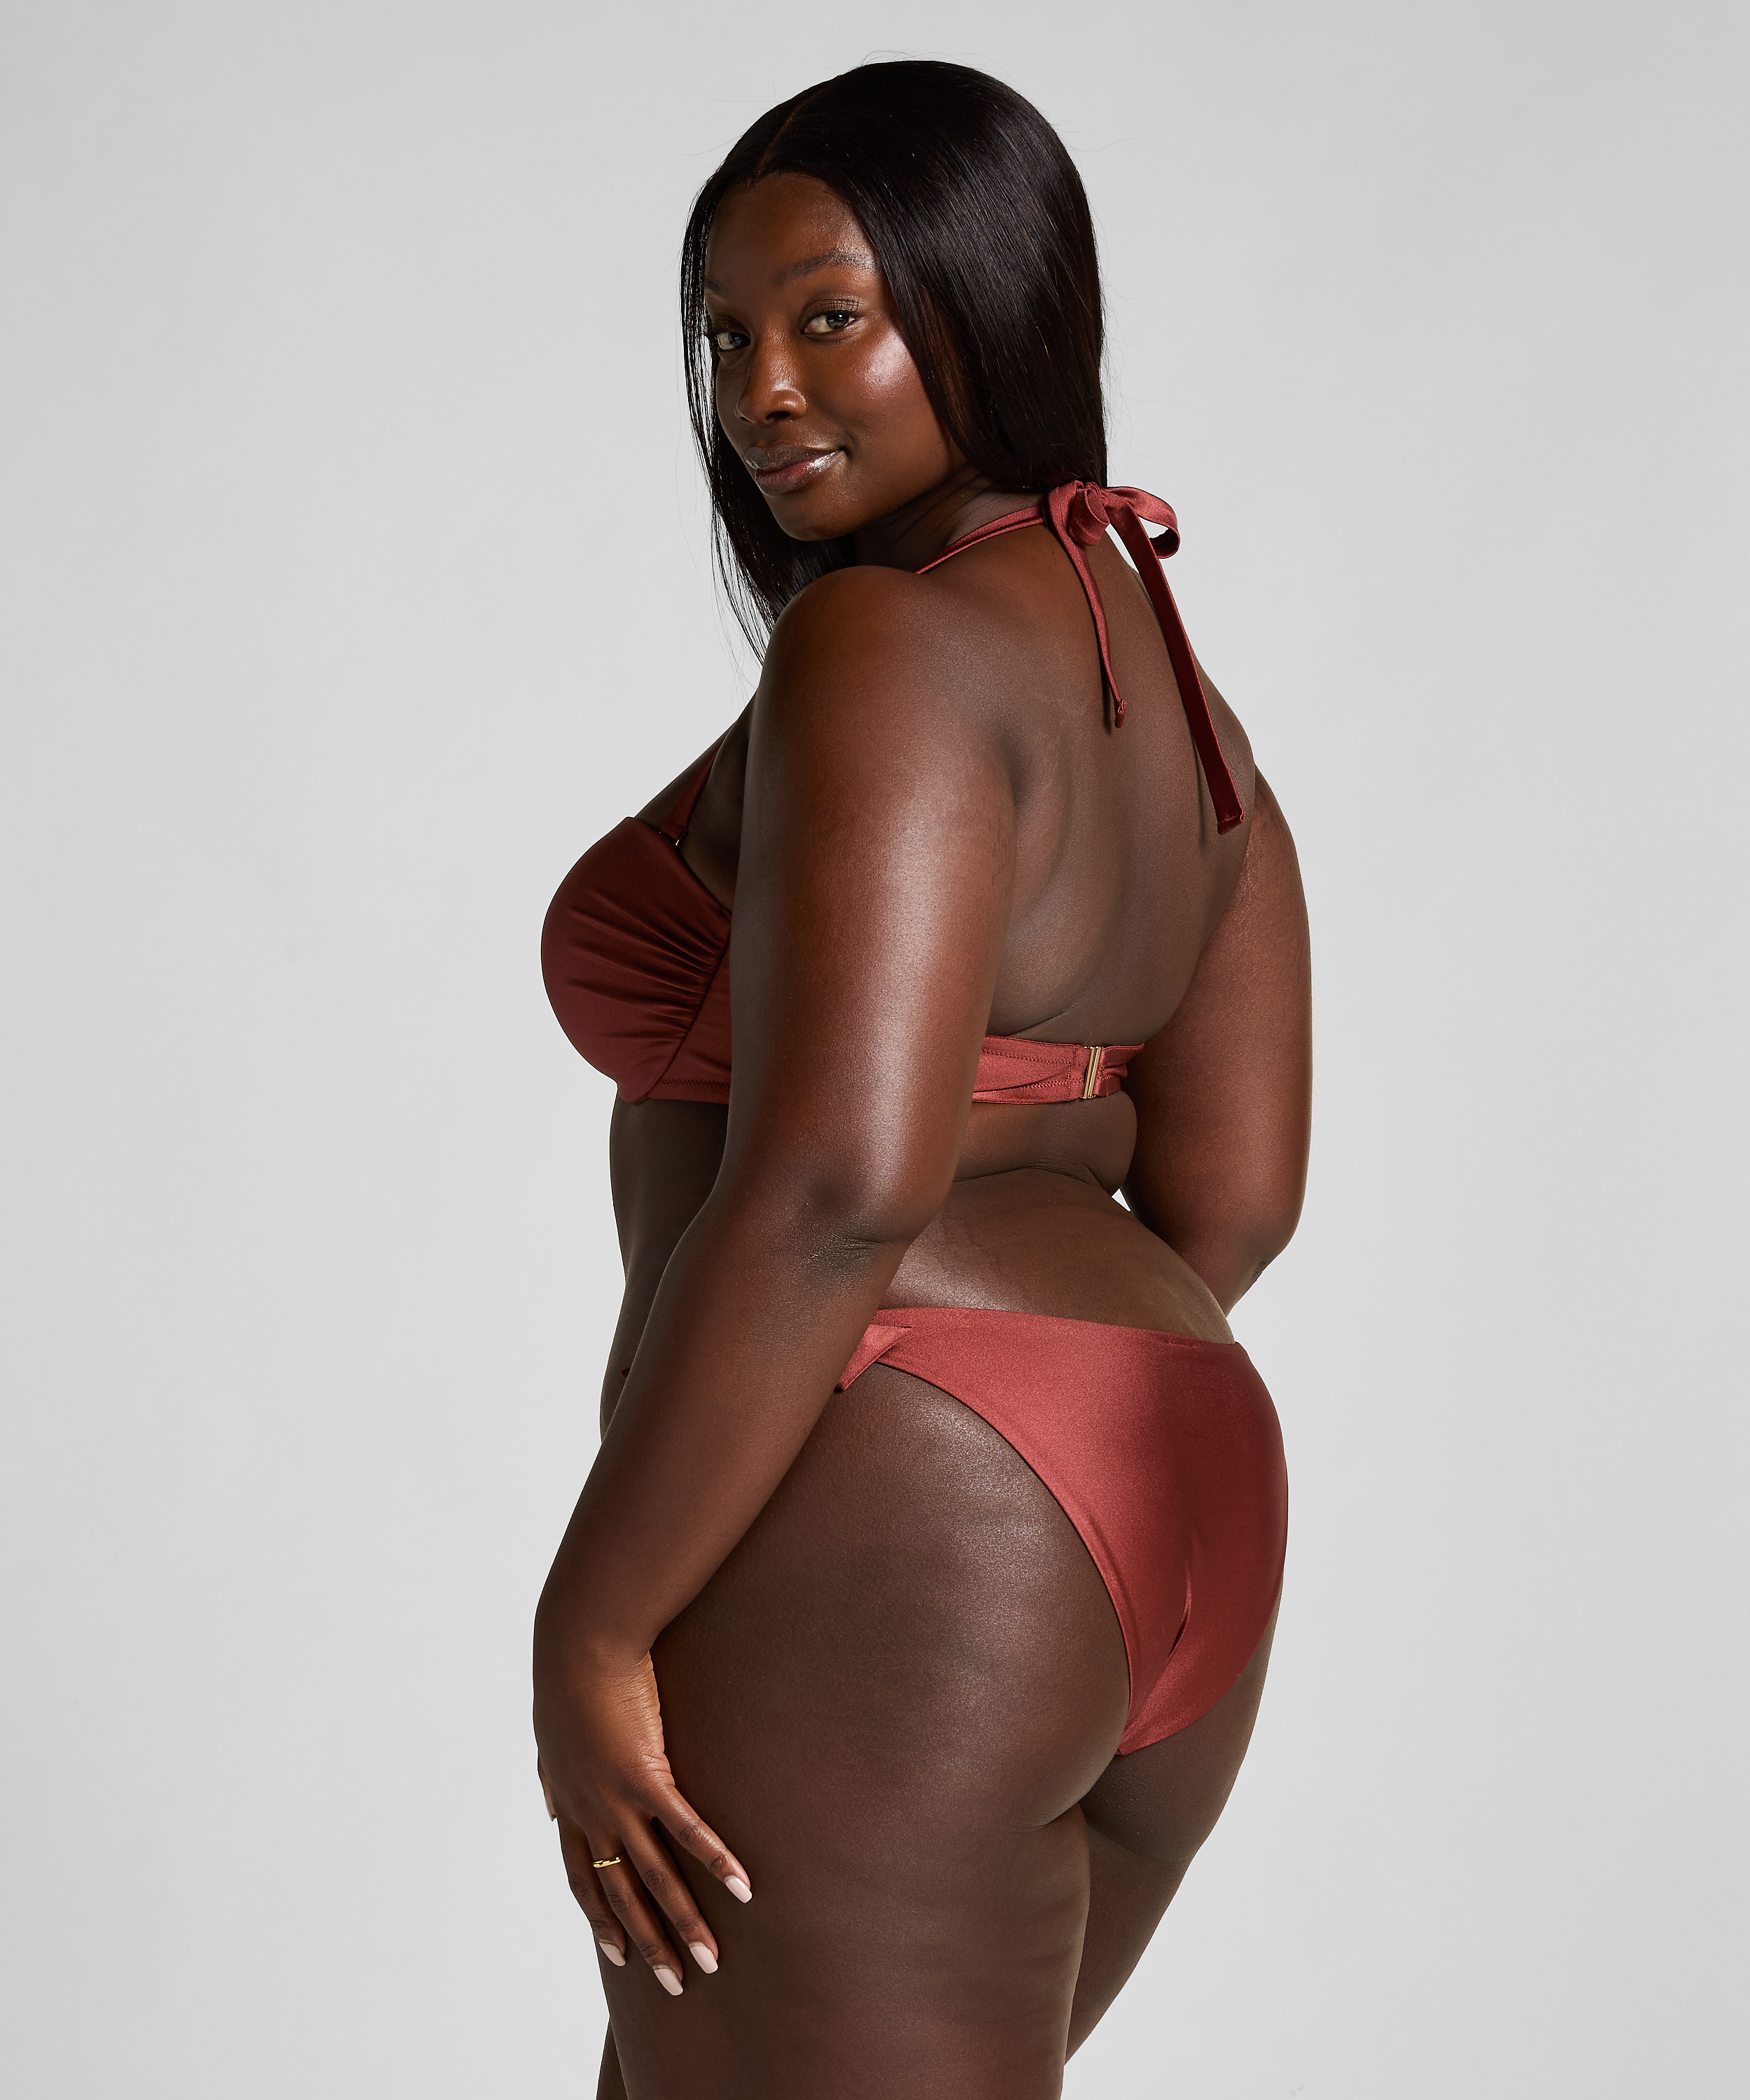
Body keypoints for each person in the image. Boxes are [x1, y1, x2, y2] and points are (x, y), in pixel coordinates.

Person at [533, 58, 1311, 2099]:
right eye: (725, 336)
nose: (762, 391)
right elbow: (1237, 1194)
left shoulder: (882, 643)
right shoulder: (1173, 690)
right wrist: (1066, 1407)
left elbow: (840, 1188)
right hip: (1173, 1488)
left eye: (830, 319)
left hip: (919, 1503)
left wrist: (593, 1623)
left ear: (986, 307)